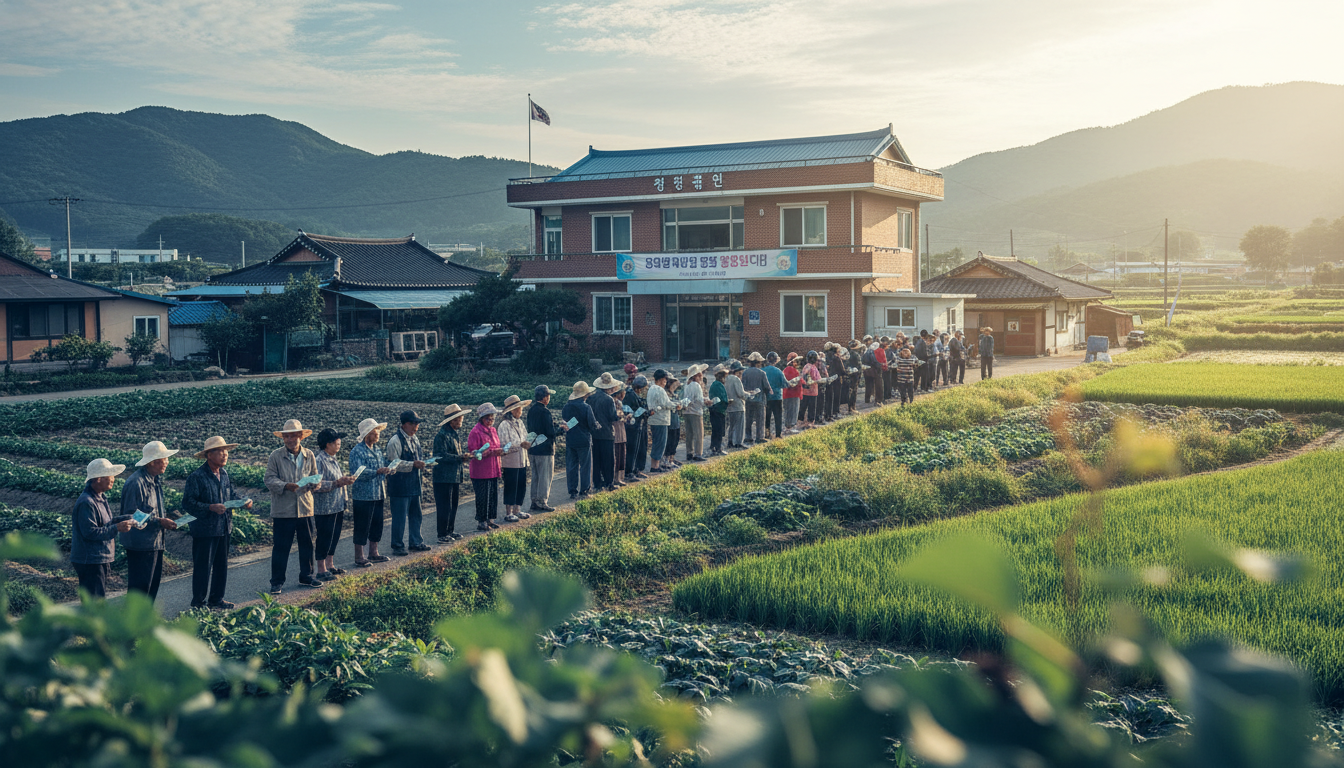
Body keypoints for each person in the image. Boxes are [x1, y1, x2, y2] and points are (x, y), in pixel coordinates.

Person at [183, 436, 252, 608]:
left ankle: (216, 599)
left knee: (221, 565)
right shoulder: (197, 477)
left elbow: (231, 495)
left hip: (223, 526)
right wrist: (210, 507)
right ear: (208, 455)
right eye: (220, 451)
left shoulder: (224, 474)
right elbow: (188, 503)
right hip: (205, 529)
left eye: (226, 451)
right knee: (203, 567)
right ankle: (198, 603)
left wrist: (244, 501)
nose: (224, 454)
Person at [264, 419, 321, 594]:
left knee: (307, 544)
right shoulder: (275, 456)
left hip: (305, 507)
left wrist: (314, 484)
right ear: (283, 438)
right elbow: (269, 479)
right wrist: (285, 485)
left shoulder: (309, 455)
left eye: (294, 436)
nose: (290, 440)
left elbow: (315, 476)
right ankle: (277, 581)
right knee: (281, 547)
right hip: (284, 510)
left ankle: (307, 576)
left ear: (300, 437)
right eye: (287, 436)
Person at [119, 441, 180, 601]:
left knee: (151, 586)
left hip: (154, 542)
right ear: (153, 462)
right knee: (140, 588)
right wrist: (159, 521)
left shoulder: (154, 480)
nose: (167, 462)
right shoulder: (136, 483)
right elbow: (132, 516)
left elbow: (150, 510)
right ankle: (133, 624)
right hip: (140, 545)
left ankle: (145, 622)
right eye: (165, 459)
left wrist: (166, 518)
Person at [71, 458, 134, 598]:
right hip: (90, 559)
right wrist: (117, 527)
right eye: (110, 476)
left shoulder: (100, 498)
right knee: (95, 600)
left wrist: (129, 518)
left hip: (99, 557)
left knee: (98, 597)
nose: (113, 479)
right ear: (98, 479)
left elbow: (107, 523)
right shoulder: (87, 502)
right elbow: (90, 532)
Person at [311, 428, 355, 581]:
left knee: (334, 535)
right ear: (327, 444)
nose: (339, 443)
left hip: (337, 504)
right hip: (324, 507)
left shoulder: (333, 458)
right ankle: (321, 568)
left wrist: (344, 481)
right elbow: (315, 485)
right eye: (336, 440)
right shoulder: (319, 461)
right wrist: (336, 483)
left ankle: (330, 564)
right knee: (324, 536)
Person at [349, 418, 393, 567]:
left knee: (377, 524)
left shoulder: (378, 450)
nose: (378, 434)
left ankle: (374, 552)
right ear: (367, 433)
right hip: (363, 494)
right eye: (375, 431)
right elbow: (357, 472)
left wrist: (388, 469)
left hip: (378, 492)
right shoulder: (357, 451)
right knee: (362, 525)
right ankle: (359, 556)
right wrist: (376, 471)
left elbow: (383, 465)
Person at [385, 411, 429, 555]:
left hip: (414, 482)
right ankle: (397, 545)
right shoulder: (394, 441)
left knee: (416, 514)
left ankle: (416, 541)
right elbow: (393, 463)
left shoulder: (414, 439)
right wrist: (412, 464)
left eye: (417, 423)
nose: (415, 426)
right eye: (412, 423)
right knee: (399, 517)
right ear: (404, 424)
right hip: (399, 485)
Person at [431, 404, 470, 543]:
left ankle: (450, 530)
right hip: (443, 477)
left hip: (453, 475)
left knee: (453, 505)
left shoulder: (453, 434)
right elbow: (440, 456)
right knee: (444, 506)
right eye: (459, 419)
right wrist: (459, 458)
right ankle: (442, 533)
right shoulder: (441, 436)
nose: (461, 421)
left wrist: (461, 457)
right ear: (452, 420)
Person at [467, 404, 505, 530]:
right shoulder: (475, 432)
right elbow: (474, 452)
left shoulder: (493, 430)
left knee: (493, 494)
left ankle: (490, 519)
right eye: (488, 419)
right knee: (482, 496)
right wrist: (490, 452)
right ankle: (481, 521)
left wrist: (498, 451)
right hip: (481, 469)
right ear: (481, 419)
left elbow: (496, 445)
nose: (490, 421)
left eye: (492, 419)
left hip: (494, 467)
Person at [497, 395, 533, 522]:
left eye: (521, 409)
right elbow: (503, 444)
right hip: (510, 461)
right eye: (518, 409)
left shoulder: (520, 423)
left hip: (522, 459)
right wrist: (519, 445)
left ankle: (518, 510)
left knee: (521, 485)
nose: (520, 411)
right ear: (512, 411)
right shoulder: (504, 425)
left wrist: (527, 443)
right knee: (511, 486)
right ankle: (509, 512)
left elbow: (526, 437)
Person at [526, 386, 561, 512]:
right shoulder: (545, 412)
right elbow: (550, 432)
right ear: (545, 397)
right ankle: (542, 501)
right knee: (545, 476)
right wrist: (561, 429)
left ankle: (534, 500)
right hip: (545, 449)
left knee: (535, 476)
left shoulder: (531, 410)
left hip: (533, 448)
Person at [563, 381, 599, 496]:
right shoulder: (586, 407)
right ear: (585, 394)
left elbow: (566, 423)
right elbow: (592, 424)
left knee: (572, 466)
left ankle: (572, 491)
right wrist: (598, 425)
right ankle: (584, 490)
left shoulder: (566, 407)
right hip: (584, 439)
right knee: (585, 466)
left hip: (571, 439)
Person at [590, 373, 622, 488]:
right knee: (608, 459)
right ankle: (609, 482)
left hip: (593, 432)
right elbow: (613, 417)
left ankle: (597, 483)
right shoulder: (609, 400)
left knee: (596, 459)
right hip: (606, 432)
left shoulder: (591, 397)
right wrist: (620, 414)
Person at [623, 376, 650, 478]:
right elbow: (631, 411)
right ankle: (629, 471)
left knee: (641, 448)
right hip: (632, 426)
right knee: (632, 449)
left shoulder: (636, 395)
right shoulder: (630, 395)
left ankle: (637, 469)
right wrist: (644, 411)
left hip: (640, 425)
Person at [646, 369, 673, 471]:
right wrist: (677, 404)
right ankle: (655, 466)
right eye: (665, 380)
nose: (665, 382)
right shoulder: (659, 390)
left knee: (656, 442)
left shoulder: (651, 388)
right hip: (661, 419)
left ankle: (655, 464)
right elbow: (666, 404)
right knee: (660, 443)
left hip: (654, 419)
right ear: (662, 379)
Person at [741, 352, 770, 444]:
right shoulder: (762, 373)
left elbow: (743, 386)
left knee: (748, 419)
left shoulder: (745, 373)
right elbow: (766, 387)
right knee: (760, 419)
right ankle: (759, 437)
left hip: (748, 399)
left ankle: (748, 437)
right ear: (758, 363)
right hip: (760, 399)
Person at [681, 364, 708, 461]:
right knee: (698, 433)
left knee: (689, 433)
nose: (701, 377)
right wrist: (707, 401)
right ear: (695, 375)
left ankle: (689, 452)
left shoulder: (687, 384)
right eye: (699, 375)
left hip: (687, 412)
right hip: (696, 412)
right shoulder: (696, 385)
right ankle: (698, 453)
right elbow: (699, 400)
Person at [609, 378, 630, 485]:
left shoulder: (620, 403)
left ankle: (619, 478)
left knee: (621, 455)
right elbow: (615, 416)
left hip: (621, 432)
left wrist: (626, 417)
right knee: (616, 456)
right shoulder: (612, 402)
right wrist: (622, 416)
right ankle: (614, 478)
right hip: (615, 432)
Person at [724, 361, 748, 448]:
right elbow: (740, 394)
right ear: (736, 372)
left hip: (729, 406)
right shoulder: (736, 379)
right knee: (739, 426)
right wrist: (749, 394)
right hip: (738, 405)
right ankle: (738, 442)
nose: (740, 374)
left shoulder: (726, 379)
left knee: (731, 425)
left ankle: (730, 441)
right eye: (740, 372)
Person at [708, 366, 729, 455]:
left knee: (715, 430)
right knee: (719, 430)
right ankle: (718, 448)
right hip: (719, 410)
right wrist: (728, 402)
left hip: (713, 409)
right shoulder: (719, 385)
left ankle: (713, 447)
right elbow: (723, 399)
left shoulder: (713, 384)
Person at [664, 376, 683, 468]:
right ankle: (667, 459)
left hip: (676, 419)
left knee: (675, 439)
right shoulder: (666, 394)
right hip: (669, 420)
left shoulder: (675, 394)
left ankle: (672, 458)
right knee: (670, 440)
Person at [781, 353, 803, 433]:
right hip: (793, 394)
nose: (797, 363)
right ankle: (790, 427)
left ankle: (788, 426)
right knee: (793, 410)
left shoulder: (786, 370)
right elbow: (796, 382)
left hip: (787, 394)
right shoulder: (791, 370)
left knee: (788, 410)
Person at [799, 351, 821, 428]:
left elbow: (803, 376)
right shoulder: (814, 368)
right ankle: (810, 423)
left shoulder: (806, 366)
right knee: (812, 407)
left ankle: (800, 422)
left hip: (805, 391)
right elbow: (818, 379)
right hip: (813, 391)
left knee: (803, 406)